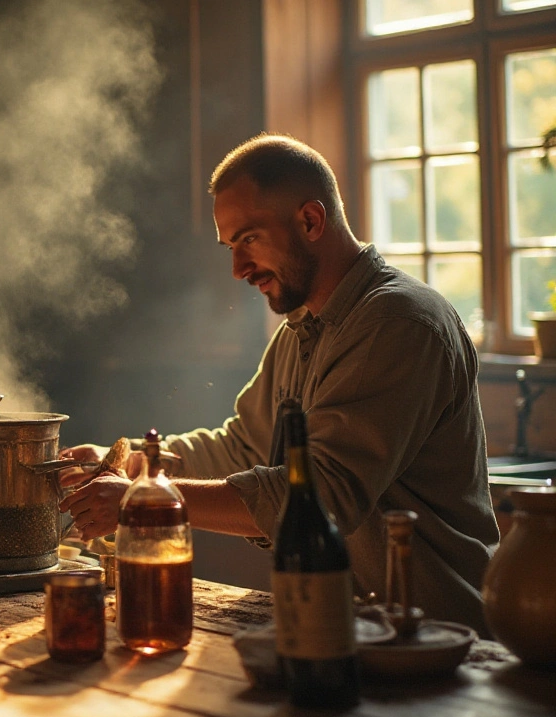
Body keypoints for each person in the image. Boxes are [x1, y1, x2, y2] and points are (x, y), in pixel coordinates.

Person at [59, 134, 499, 633]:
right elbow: (245, 445)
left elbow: (324, 493)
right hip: (345, 629)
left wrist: (143, 500)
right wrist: (127, 462)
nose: (237, 269)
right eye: (230, 246)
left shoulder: (398, 322)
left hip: (440, 639)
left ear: (311, 220)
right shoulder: (302, 328)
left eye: (248, 240)